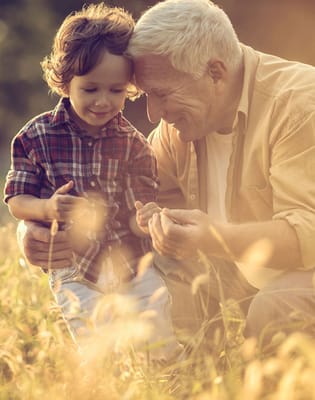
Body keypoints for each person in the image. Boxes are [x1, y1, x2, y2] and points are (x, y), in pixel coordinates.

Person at [17, 0, 315, 348]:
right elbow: (125, 199)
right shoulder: (181, 127)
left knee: (276, 308)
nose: (154, 112)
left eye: (161, 94)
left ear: (216, 73)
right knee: (156, 266)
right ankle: (184, 376)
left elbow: (308, 233)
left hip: (303, 273)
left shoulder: (298, 105)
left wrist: (215, 237)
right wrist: (35, 227)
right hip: (242, 275)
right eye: (145, 95)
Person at [3, 3, 182, 362]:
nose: (103, 102)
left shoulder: (134, 145)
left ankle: (165, 379)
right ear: (65, 82)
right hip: (73, 269)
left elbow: (140, 210)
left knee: (158, 339)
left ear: (129, 87)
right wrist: (47, 208)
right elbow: (16, 199)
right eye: (90, 89)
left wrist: (149, 216)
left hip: (129, 264)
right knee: (98, 350)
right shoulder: (36, 137)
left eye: (116, 91)